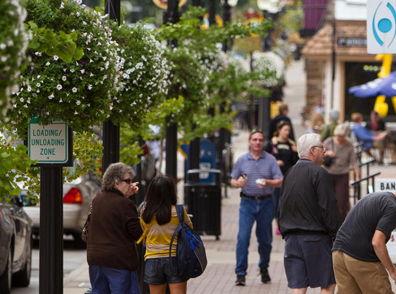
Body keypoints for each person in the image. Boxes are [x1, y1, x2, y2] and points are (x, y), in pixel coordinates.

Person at [278, 133, 340, 294]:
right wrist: (336, 234)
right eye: (322, 148)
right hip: (315, 237)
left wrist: (284, 231)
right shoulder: (320, 173)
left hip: (292, 238)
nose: (325, 152)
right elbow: (328, 207)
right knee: (328, 283)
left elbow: (281, 205)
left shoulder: (289, 173)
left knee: (298, 286)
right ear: (313, 150)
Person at [231, 129, 283, 286]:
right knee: (243, 238)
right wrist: (238, 183)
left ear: (264, 142)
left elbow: (280, 180)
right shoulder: (242, 160)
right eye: (254, 139)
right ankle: (240, 273)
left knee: (265, 240)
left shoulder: (270, 160)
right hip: (247, 203)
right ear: (249, 141)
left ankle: (264, 267)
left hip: (266, 203)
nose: (257, 142)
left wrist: (267, 182)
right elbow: (232, 180)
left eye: (260, 140)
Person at [86, 162, 142, 294]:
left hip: (96, 259)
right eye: (128, 181)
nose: (131, 184)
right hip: (119, 261)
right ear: (116, 182)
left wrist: (127, 196)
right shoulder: (125, 204)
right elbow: (137, 233)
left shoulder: (97, 199)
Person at [137, 175, 193, 294]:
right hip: (175, 258)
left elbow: (143, 231)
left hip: (152, 259)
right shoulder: (178, 211)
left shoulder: (145, 211)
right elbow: (189, 228)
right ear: (171, 191)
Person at [332, 192, 396, 294]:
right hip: (361, 257)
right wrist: (393, 272)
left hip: (338, 252)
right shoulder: (392, 208)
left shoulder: (377, 197)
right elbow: (377, 242)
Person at [265, 122, 298, 235]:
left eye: (288, 130)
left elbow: (295, 162)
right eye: (285, 130)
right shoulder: (272, 143)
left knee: (288, 201)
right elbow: (265, 158)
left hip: (288, 176)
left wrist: (295, 152)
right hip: (276, 177)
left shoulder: (291, 144)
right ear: (279, 130)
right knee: (277, 200)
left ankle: (287, 223)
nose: (287, 132)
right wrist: (274, 162)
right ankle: (278, 224)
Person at [323, 123, 360, 221]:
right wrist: (327, 152)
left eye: (342, 136)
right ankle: (328, 221)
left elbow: (354, 161)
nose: (339, 138)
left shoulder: (349, 144)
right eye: (338, 136)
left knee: (341, 202)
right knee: (328, 200)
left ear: (345, 135)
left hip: (342, 174)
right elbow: (319, 153)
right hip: (328, 173)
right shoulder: (329, 141)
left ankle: (340, 224)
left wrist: (357, 175)